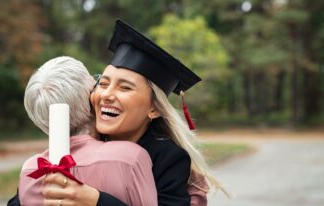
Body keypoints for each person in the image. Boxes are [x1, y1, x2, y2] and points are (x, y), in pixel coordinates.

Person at [41, 20, 223, 206]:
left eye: (125, 88)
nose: (107, 95)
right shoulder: (82, 141)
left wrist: (96, 201)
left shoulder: (168, 159)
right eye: (102, 84)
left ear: (154, 109)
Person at [17, 56, 157, 206]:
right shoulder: (129, 157)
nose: (103, 94)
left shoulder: (30, 170)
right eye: (98, 84)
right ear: (89, 99)